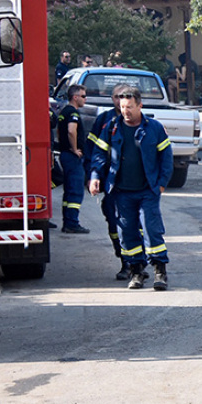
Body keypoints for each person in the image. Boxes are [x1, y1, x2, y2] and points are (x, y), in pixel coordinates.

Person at [90, 86, 173, 291]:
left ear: (140, 106)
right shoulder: (111, 127)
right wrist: (95, 176)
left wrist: (161, 183)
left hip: (147, 191)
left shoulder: (154, 128)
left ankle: (160, 271)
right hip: (121, 192)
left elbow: (166, 158)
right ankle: (136, 271)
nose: (125, 111)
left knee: (152, 229)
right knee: (127, 233)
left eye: (129, 107)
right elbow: (99, 154)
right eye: (122, 107)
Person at [86, 83, 134, 280]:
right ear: (112, 99)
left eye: (125, 96)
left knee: (135, 223)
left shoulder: (143, 121)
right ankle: (124, 260)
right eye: (117, 96)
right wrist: (93, 176)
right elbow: (93, 150)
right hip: (111, 182)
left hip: (136, 183)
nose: (120, 100)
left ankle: (136, 263)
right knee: (113, 222)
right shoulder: (104, 120)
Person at [57, 84, 90, 233]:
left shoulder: (64, 111)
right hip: (72, 157)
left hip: (65, 154)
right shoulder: (72, 113)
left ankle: (67, 222)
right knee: (76, 190)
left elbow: (60, 132)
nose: (85, 99)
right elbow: (71, 130)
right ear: (75, 97)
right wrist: (74, 148)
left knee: (69, 190)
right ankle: (72, 223)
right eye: (83, 96)